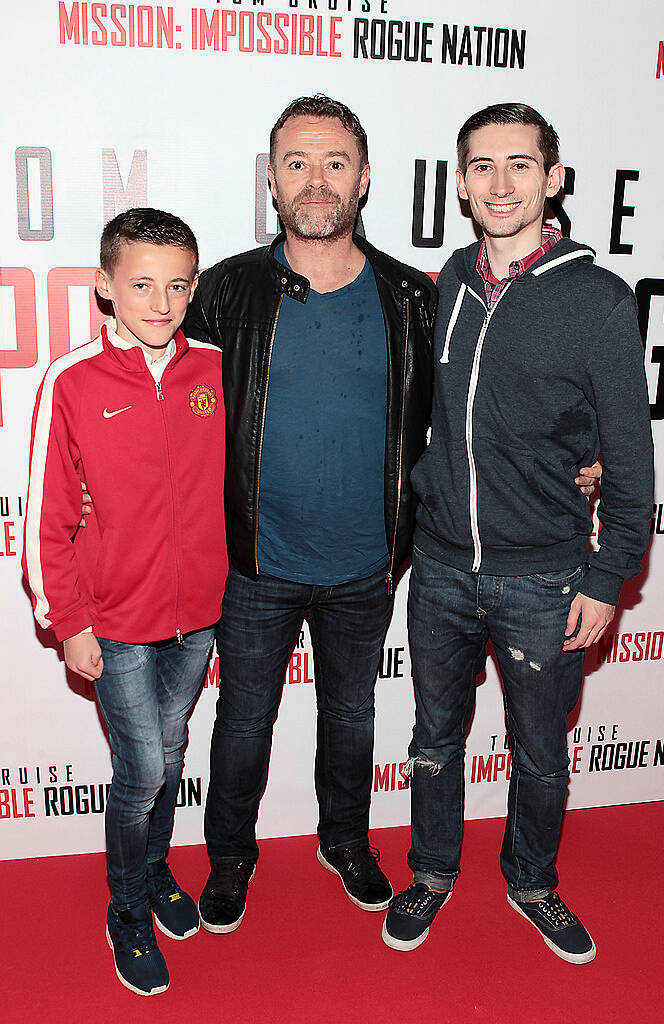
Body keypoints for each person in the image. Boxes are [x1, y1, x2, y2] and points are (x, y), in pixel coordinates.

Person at [381, 103, 654, 963]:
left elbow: (630, 460)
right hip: (441, 568)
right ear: (459, 184)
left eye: (519, 165)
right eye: (482, 167)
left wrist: (608, 577)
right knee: (433, 738)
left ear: (554, 178)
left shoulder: (599, 300)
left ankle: (532, 882)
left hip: (545, 578)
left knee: (539, 752)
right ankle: (430, 873)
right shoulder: (453, 275)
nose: (500, 184)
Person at [182, 94, 437, 931]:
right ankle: (229, 860)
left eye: (334, 163)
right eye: (296, 163)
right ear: (271, 180)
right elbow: (146, 388)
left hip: (366, 563)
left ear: (363, 179)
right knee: (243, 720)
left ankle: (346, 840)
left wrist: (570, 456)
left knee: (353, 716)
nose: (316, 180)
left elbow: (471, 412)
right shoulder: (223, 291)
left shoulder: (410, 298)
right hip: (255, 563)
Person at [23, 208, 227, 996]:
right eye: (142, 285)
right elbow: (44, 516)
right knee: (142, 767)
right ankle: (128, 907)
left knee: (170, 755)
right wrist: (67, 623)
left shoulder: (211, 365)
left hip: (198, 615)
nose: (161, 303)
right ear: (105, 287)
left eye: (177, 285)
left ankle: (154, 864)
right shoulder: (71, 379)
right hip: (114, 620)